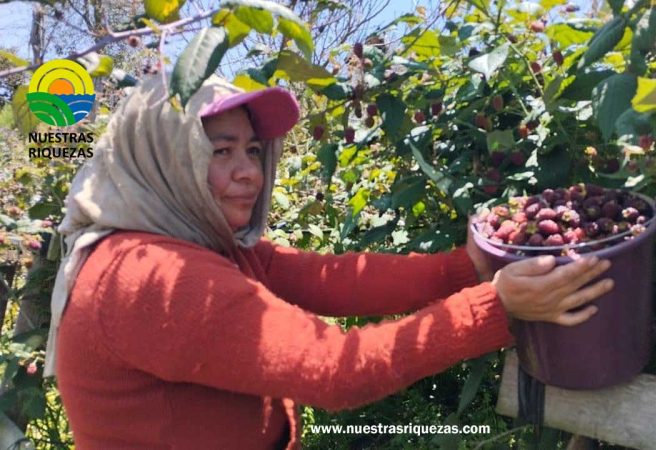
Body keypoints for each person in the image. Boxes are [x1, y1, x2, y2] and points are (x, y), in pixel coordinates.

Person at [44, 75, 614, 449]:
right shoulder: (150, 277)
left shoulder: (193, 247)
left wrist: (465, 265)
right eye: (218, 152)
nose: (249, 173)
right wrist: (493, 307)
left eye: (251, 151)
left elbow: (331, 278)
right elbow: (336, 370)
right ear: (163, 160)